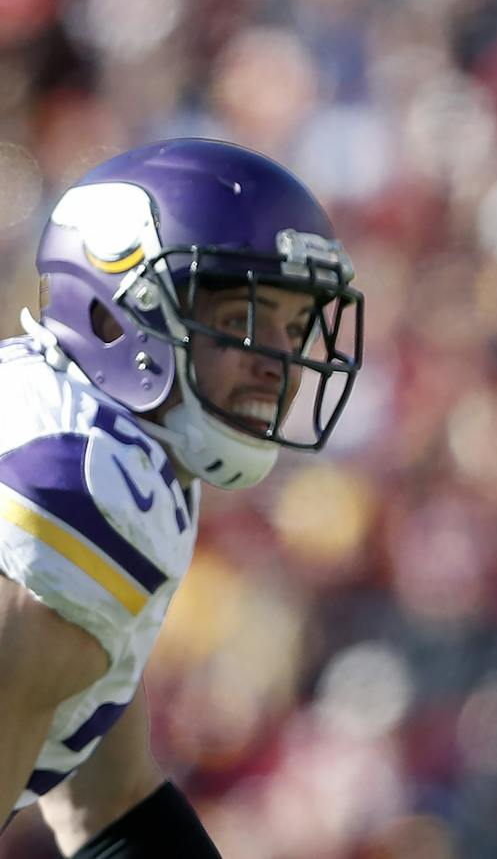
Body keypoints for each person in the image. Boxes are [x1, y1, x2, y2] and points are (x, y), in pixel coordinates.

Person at [0, 139, 363, 856]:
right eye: (241, 323)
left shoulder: (119, 455)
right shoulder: (77, 489)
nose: (279, 363)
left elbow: (109, 798)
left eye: (292, 330)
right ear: (117, 315)